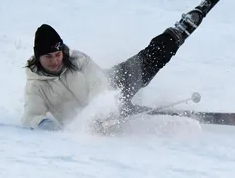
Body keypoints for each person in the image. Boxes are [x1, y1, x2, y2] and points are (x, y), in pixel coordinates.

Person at [22, 11, 201, 131]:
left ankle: (179, 31)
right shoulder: (36, 85)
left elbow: (98, 83)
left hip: (112, 90)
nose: (54, 61)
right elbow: (31, 116)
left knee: (146, 62)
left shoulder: (78, 60)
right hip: (92, 126)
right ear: (38, 58)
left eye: (57, 54)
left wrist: (98, 110)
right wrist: (46, 124)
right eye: (48, 57)